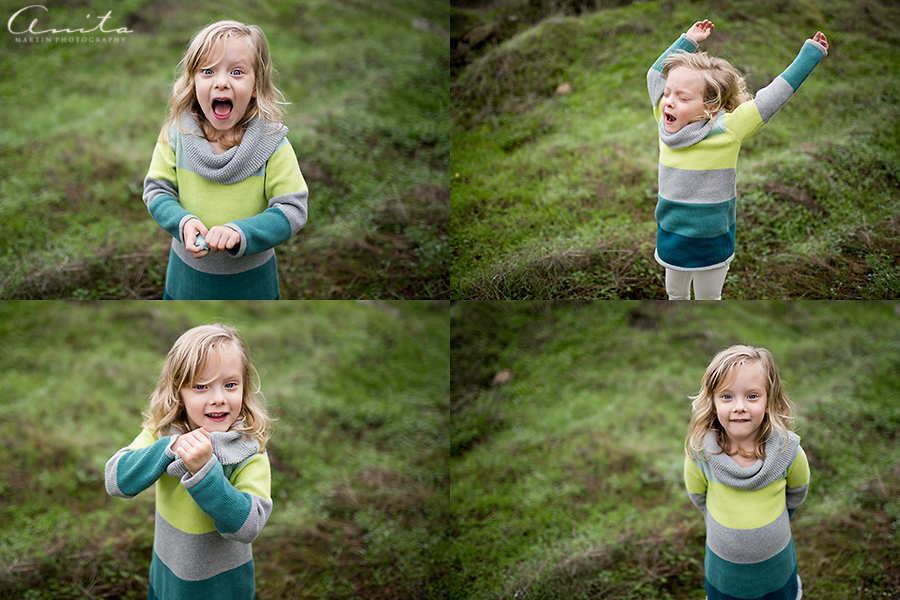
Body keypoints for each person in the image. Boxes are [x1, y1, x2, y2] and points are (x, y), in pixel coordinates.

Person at [647, 20, 828, 299]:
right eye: (669, 93)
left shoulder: (727, 129)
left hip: (713, 242)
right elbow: (655, 75)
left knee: (709, 298)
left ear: (710, 107)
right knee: (675, 296)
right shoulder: (663, 119)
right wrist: (688, 40)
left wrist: (809, 55)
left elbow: (772, 98)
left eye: (682, 98)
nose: (668, 101)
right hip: (672, 237)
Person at [105, 324, 273, 599]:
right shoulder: (163, 432)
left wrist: (206, 473)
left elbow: (249, 526)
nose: (218, 399)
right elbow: (116, 480)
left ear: (245, 386)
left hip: (223, 589)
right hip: (167, 578)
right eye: (201, 387)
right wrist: (169, 448)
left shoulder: (248, 451)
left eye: (230, 385)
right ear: (179, 392)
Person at [143, 20, 308, 299]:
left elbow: (293, 208)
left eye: (237, 71)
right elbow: (157, 190)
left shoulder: (273, 144)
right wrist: (182, 221)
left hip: (251, 283)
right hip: (186, 278)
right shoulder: (176, 134)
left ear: (256, 83)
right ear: (193, 81)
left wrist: (242, 232)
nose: (221, 81)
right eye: (207, 71)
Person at [684, 345, 809, 599]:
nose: (739, 407)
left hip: (775, 568)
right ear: (713, 402)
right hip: (724, 572)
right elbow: (699, 498)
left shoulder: (788, 452)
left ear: (768, 400)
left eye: (752, 396)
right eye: (727, 397)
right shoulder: (701, 454)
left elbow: (796, 494)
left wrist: (773, 523)